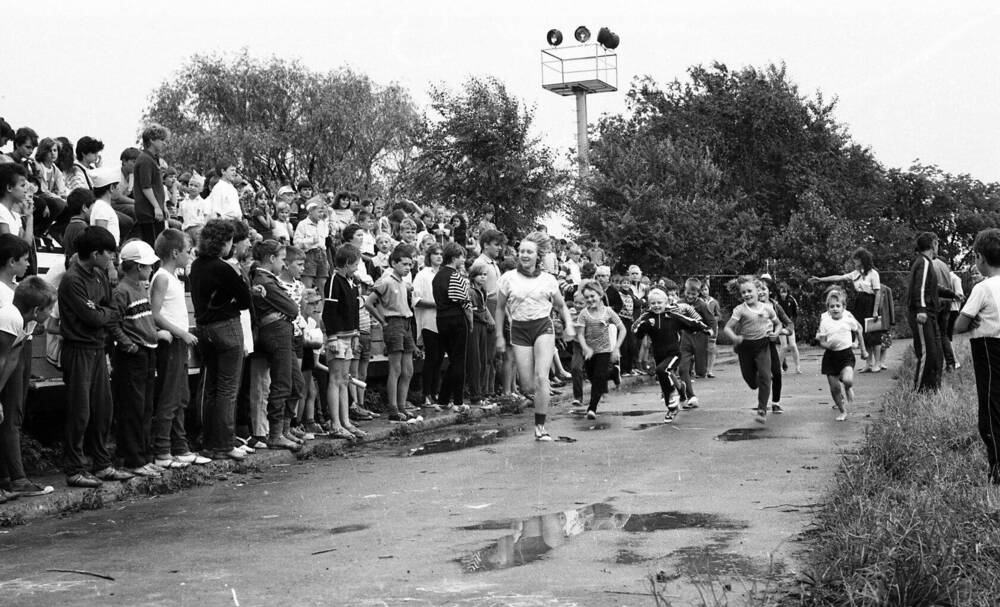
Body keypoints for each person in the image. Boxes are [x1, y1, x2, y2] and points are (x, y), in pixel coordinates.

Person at [59, 226, 132, 487]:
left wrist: (103, 313)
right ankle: (74, 468)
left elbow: (112, 309)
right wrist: (104, 313)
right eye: (108, 253)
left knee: (103, 409)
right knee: (80, 411)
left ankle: (101, 464)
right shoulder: (73, 279)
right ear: (95, 253)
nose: (112, 258)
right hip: (79, 349)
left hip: (99, 349)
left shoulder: (99, 274)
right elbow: (93, 316)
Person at [495, 231, 576, 441]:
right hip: (519, 329)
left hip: (542, 327)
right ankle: (536, 400)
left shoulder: (548, 280)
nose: (524, 255)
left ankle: (540, 427)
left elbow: (560, 306)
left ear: (537, 255)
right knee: (528, 385)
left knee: (542, 378)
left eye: (529, 251)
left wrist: (568, 326)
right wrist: (499, 336)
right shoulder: (508, 278)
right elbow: (499, 308)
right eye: (521, 251)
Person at [190, 219, 252, 461]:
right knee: (228, 388)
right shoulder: (225, 267)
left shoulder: (196, 265)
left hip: (204, 329)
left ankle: (208, 441)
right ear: (225, 243)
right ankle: (225, 443)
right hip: (227, 328)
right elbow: (245, 301)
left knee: (211, 388)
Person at [150, 229, 209, 469]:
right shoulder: (162, 277)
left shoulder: (174, 277)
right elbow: (155, 314)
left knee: (182, 396)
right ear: (175, 253)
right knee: (169, 397)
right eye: (187, 251)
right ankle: (162, 451)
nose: (190, 255)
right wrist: (181, 333)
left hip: (179, 343)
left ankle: (180, 447)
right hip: (171, 343)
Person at [111, 240, 169, 478]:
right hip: (133, 356)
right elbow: (113, 323)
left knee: (145, 407)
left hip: (147, 351)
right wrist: (128, 345)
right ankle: (133, 459)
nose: (149, 269)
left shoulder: (140, 287)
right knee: (133, 409)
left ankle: (144, 456)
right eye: (146, 266)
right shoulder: (122, 290)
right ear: (136, 267)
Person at [0, 277, 56, 501]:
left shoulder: (29, 322)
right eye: (50, 308)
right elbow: (1, 359)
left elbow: (12, 359)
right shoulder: (10, 318)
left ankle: (9, 481)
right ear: (36, 309)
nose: (51, 314)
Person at [954, 228, 1000, 484]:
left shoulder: (982, 288)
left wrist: (971, 321)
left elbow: (960, 324)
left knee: (991, 409)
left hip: (989, 349)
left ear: (980, 257)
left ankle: (997, 468)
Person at [249, 239, 302, 451]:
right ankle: (276, 433)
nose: (283, 264)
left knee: (296, 383)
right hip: (275, 332)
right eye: (281, 259)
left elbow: (290, 309)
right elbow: (292, 307)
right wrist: (285, 310)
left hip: (283, 330)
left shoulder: (268, 279)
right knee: (282, 383)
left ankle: (285, 429)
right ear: (271, 259)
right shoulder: (264, 279)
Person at [632, 284, 707, 422]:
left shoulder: (672, 315)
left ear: (666, 303)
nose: (656, 305)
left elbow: (689, 322)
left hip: (674, 353)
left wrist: (704, 328)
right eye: (653, 303)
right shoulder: (647, 317)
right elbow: (635, 330)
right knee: (664, 377)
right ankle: (675, 399)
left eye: (659, 303)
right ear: (649, 304)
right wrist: (646, 325)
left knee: (662, 370)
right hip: (659, 354)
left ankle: (673, 398)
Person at [366, 244, 419, 422]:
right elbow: (369, 302)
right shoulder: (387, 280)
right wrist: (382, 320)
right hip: (393, 322)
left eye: (410, 265)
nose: (407, 268)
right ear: (394, 263)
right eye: (404, 264)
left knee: (408, 369)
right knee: (395, 368)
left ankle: (403, 405)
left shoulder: (403, 282)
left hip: (406, 323)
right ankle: (393, 408)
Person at [811, 248, 884, 373]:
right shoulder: (855, 273)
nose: (855, 263)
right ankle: (869, 363)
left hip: (871, 303)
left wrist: (875, 310)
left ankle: (877, 363)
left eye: (857, 261)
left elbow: (877, 293)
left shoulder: (873, 273)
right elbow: (839, 277)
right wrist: (821, 279)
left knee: (875, 334)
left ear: (863, 260)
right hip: (860, 302)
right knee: (863, 332)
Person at [723, 276, 781, 424]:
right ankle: (760, 380)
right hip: (745, 348)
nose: (747, 294)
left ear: (758, 291)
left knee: (765, 377)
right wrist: (734, 338)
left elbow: (778, 324)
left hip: (763, 346)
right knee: (751, 382)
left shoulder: (767, 308)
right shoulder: (740, 310)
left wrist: (776, 333)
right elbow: (727, 328)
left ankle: (762, 409)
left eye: (750, 291)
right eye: (743, 293)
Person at [325, 244, 369, 437]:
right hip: (338, 337)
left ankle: (346, 421)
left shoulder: (351, 282)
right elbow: (329, 312)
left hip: (349, 336)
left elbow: (354, 312)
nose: (357, 267)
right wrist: (332, 336)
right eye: (355, 264)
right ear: (347, 263)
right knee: (335, 380)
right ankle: (336, 423)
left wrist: (356, 334)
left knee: (344, 379)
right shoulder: (334, 280)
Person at [908, 232, 953, 392]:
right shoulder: (924, 263)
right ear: (933, 244)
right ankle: (919, 391)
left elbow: (932, 287)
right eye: (937, 243)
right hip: (922, 314)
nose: (938, 247)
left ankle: (932, 388)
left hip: (930, 314)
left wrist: (952, 294)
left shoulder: (925, 263)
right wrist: (921, 309)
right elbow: (919, 288)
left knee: (935, 353)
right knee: (927, 353)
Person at [575, 280, 625, 419]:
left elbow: (622, 329)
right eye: (587, 297)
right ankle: (614, 373)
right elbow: (580, 334)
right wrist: (586, 348)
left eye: (592, 296)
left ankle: (592, 408)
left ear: (600, 295)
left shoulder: (608, 312)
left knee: (597, 379)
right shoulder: (584, 314)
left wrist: (616, 348)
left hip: (604, 351)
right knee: (592, 376)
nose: (590, 300)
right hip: (590, 352)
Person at [433, 242, 473, 412]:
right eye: (461, 256)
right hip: (456, 319)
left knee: (452, 360)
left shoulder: (437, 277)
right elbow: (465, 304)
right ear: (454, 257)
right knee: (459, 360)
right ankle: (458, 401)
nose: (463, 259)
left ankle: (443, 399)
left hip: (441, 319)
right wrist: (470, 322)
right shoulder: (456, 276)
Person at [817, 288, 867, 422]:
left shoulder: (848, 319)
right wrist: (828, 345)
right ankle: (842, 411)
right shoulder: (825, 322)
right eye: (832, 306)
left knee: (848, 380)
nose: (835, 308)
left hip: (846, 356)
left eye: (838, 306)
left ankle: (848, 388)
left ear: (843, 307)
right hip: (830, 357)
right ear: (828, 308)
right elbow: (821, 341)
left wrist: (863, 349)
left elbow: (859, 331)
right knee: (834, 388)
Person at [677, 277, 717, 410]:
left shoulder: (702, 305)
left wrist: (712, 338)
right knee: (683, 368)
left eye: (693, 294)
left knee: (701, 371)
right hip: (686, 338)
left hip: (700, 337)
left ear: (698, 294)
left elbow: (712, 322)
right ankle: (691, 396)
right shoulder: (680, 303)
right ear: (685, 291)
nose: (690, 296)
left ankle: (699, 368)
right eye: (688, 293)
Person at [413, 243, 443, 409]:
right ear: (429, 256)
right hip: (428, 322)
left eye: (441, 254)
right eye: (435, 254)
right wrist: (437, 304)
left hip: (443, 322)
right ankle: (426, 395)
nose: (438, 256)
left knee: (439, 359)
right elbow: (416, 300)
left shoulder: (445, 274)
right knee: (431, 358)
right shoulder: (422, 275)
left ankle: (435, 392)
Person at [133, 125, 169, 246]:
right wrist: (156, 207)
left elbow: (157, 185)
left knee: (159, 244)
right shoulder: (145, 160)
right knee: (153, 245)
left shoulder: (153, 159)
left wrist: (163, 206)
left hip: (155, 211)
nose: (164, 143)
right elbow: (146, 187)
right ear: (152, 140)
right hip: (148, 212)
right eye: (162, 140)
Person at [467, 262, 496, 409]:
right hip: (475, 326)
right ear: (473, 276)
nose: (483, 277)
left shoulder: (482, 290)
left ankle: (483, 393)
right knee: (475, 361)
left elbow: (484, 308)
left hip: (483, 326)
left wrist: (488, 318)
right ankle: (475, 395)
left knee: (484, 359)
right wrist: (485, 317)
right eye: (480, 275)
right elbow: (474, 311)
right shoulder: (471, 291)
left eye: (485, 275)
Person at [293, 198, 330, 299]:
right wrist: (310, 241)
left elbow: (324, 242)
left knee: (322, 285)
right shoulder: (303, 224)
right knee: (307, 284)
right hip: (309, 255)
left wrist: (326, 260)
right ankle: (306, 309)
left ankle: (321, 311)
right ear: (310, 211)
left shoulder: (322, 224)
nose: (321, 214)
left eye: (322, 211)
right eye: (319, 211)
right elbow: (296, 243)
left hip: (322, 254)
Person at [775, 282, 802, 374]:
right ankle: (779, 368)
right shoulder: (776, 302)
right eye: (781, 292)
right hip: (780, 325)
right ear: (779, 292)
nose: (783, 294)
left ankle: (798, 367)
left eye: (785, 292)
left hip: (789, 325)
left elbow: (795, 314)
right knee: (784, 346)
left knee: (793, 345)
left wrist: (792, 324)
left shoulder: (791, 300)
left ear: (787, 292)